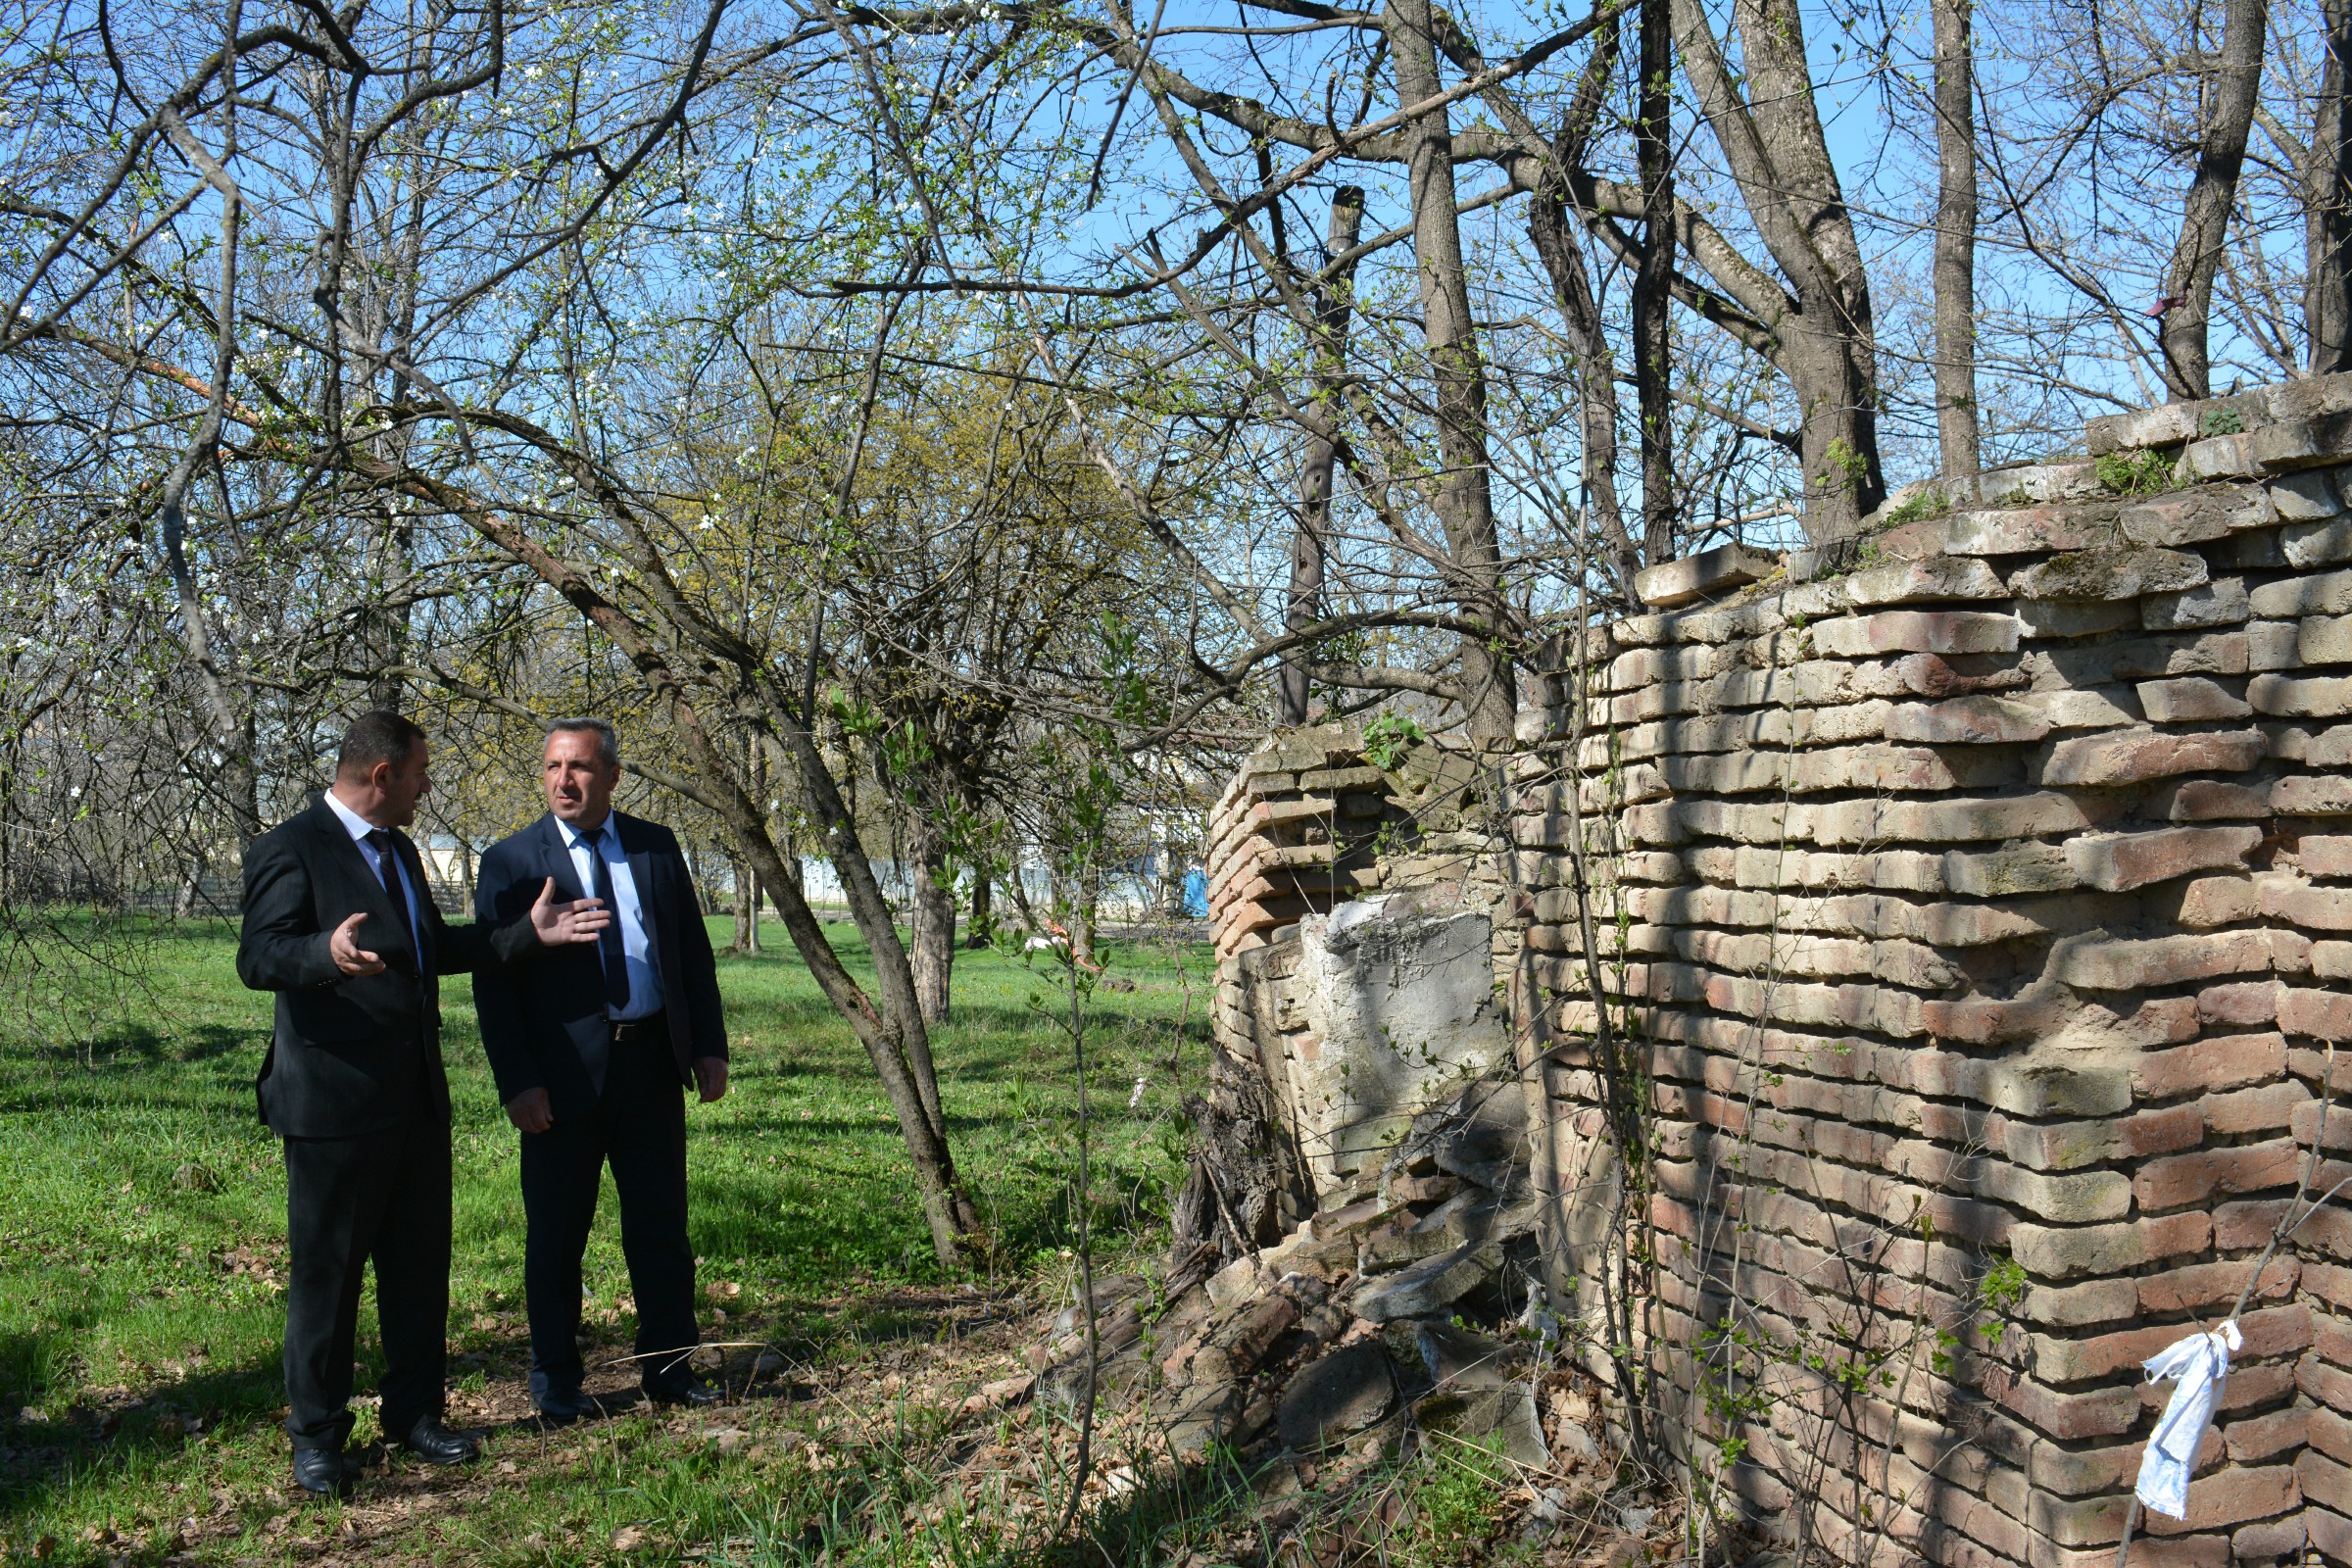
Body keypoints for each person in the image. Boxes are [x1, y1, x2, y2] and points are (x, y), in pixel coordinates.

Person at [236, 710, 612, 1498]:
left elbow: (433, 949)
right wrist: (322, 954)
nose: (426, 787)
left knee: (417, 1271)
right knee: (327, 1281)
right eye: (418, 775)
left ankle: (413, 1414)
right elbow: (259, 954)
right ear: (381, 778)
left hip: (414, 1102)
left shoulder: (400, 852)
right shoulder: (290, 847)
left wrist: (525, 935)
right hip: (332, 1109)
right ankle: (317, 1437)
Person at [471, 717, 729, 1423]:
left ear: (612, 776)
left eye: (580, 767)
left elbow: (690, 954)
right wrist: (518, 1082)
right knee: (557, 1236)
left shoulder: (653, 847)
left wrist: (708, 1044)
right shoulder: (512, 862)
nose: (564, 781)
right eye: (553, 767)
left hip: (648, 1062)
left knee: (660, 1227)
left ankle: (669, 1368)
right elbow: (493, 988)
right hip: (560, 1081)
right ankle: (556, 1379)